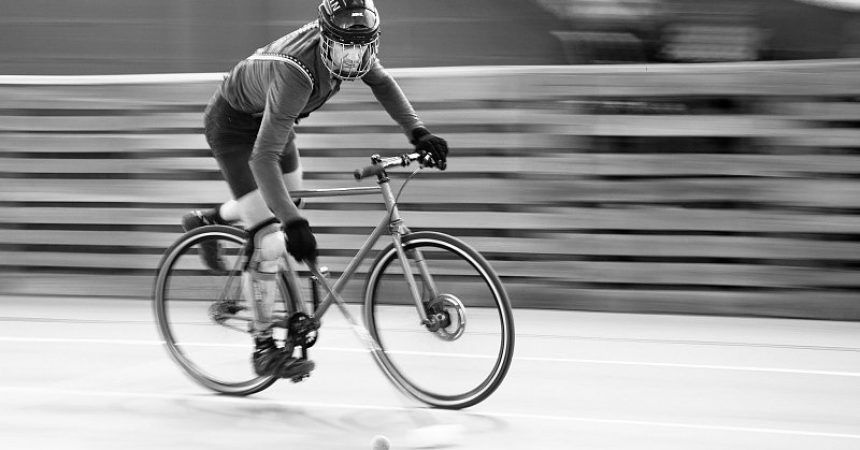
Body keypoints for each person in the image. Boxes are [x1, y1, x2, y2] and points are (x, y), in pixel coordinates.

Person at [181, 0, 449, 381]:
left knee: (287, 205)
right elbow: (262, 160)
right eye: (344, 48)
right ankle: (263, 348)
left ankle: (210, 220)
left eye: (363, 47)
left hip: (273, 117)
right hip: (234, 127)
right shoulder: (298, 75)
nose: (354, 59)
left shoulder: (350, 42)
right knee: (273, 239)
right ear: (326, 39)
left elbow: (383, 83)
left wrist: (418, 131)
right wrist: (291, 222)